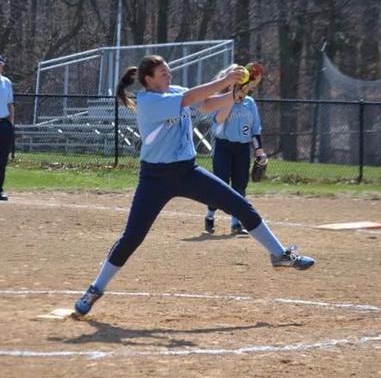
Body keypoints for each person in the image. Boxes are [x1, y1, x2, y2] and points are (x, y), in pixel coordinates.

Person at [74, 55, 315, 316]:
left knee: (240, 206)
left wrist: (234, 93)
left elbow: (208, 105)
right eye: (163, 73)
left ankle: (280, 255)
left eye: (169, 71)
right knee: (132, 237)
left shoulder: (175, 91)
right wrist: (224, 80)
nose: (169, 76)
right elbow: (189, 99)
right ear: (148, 80)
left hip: (188, 171)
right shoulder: (148, 102)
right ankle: (95, 288)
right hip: (155, 179)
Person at [204, 64, 266, 236]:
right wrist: (231, 97)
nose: (247, 88)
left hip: (242, 149)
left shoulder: (250, 103)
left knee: (240, 186)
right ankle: (210, 214)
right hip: (223, 147)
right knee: (220, 186)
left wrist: (259, 150)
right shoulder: (221, 100)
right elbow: (219, 119)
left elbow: (255, 129)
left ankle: (236, 223)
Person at [0, 55, 15, 201]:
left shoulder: (6, 82)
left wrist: (11, 123)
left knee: (2, 158)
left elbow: (10, 104)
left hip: (3, 123)